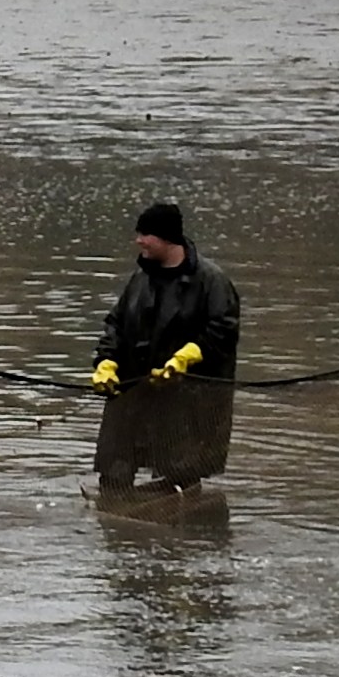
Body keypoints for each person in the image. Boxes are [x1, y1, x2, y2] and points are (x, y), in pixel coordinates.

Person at [89, 202, 241, 494]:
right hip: (135, 390)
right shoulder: (140, 276)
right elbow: (116, 323)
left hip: (187, 396)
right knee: (114, 471)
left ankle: (181, 526)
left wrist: (187, 357)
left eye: (146, 235)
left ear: (167, 238)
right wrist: (105, 361)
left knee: (180, 475)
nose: (138, 240)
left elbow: (224, 330)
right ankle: (117, 530)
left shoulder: (212, 281)